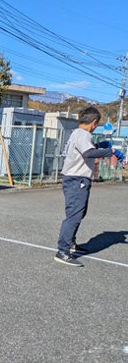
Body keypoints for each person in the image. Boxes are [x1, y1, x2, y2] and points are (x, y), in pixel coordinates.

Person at [54, 106, 125, 267]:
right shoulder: (83, 134)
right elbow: (88, 153)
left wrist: (100, 145)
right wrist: (111, 151)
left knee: (79, 212)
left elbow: (87, 150)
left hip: (76, 179)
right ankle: (62, 251)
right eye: (96, 124)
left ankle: (70, 244)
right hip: (76, 179)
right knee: (74, 214)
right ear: (94, 122)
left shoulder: (78, 134)